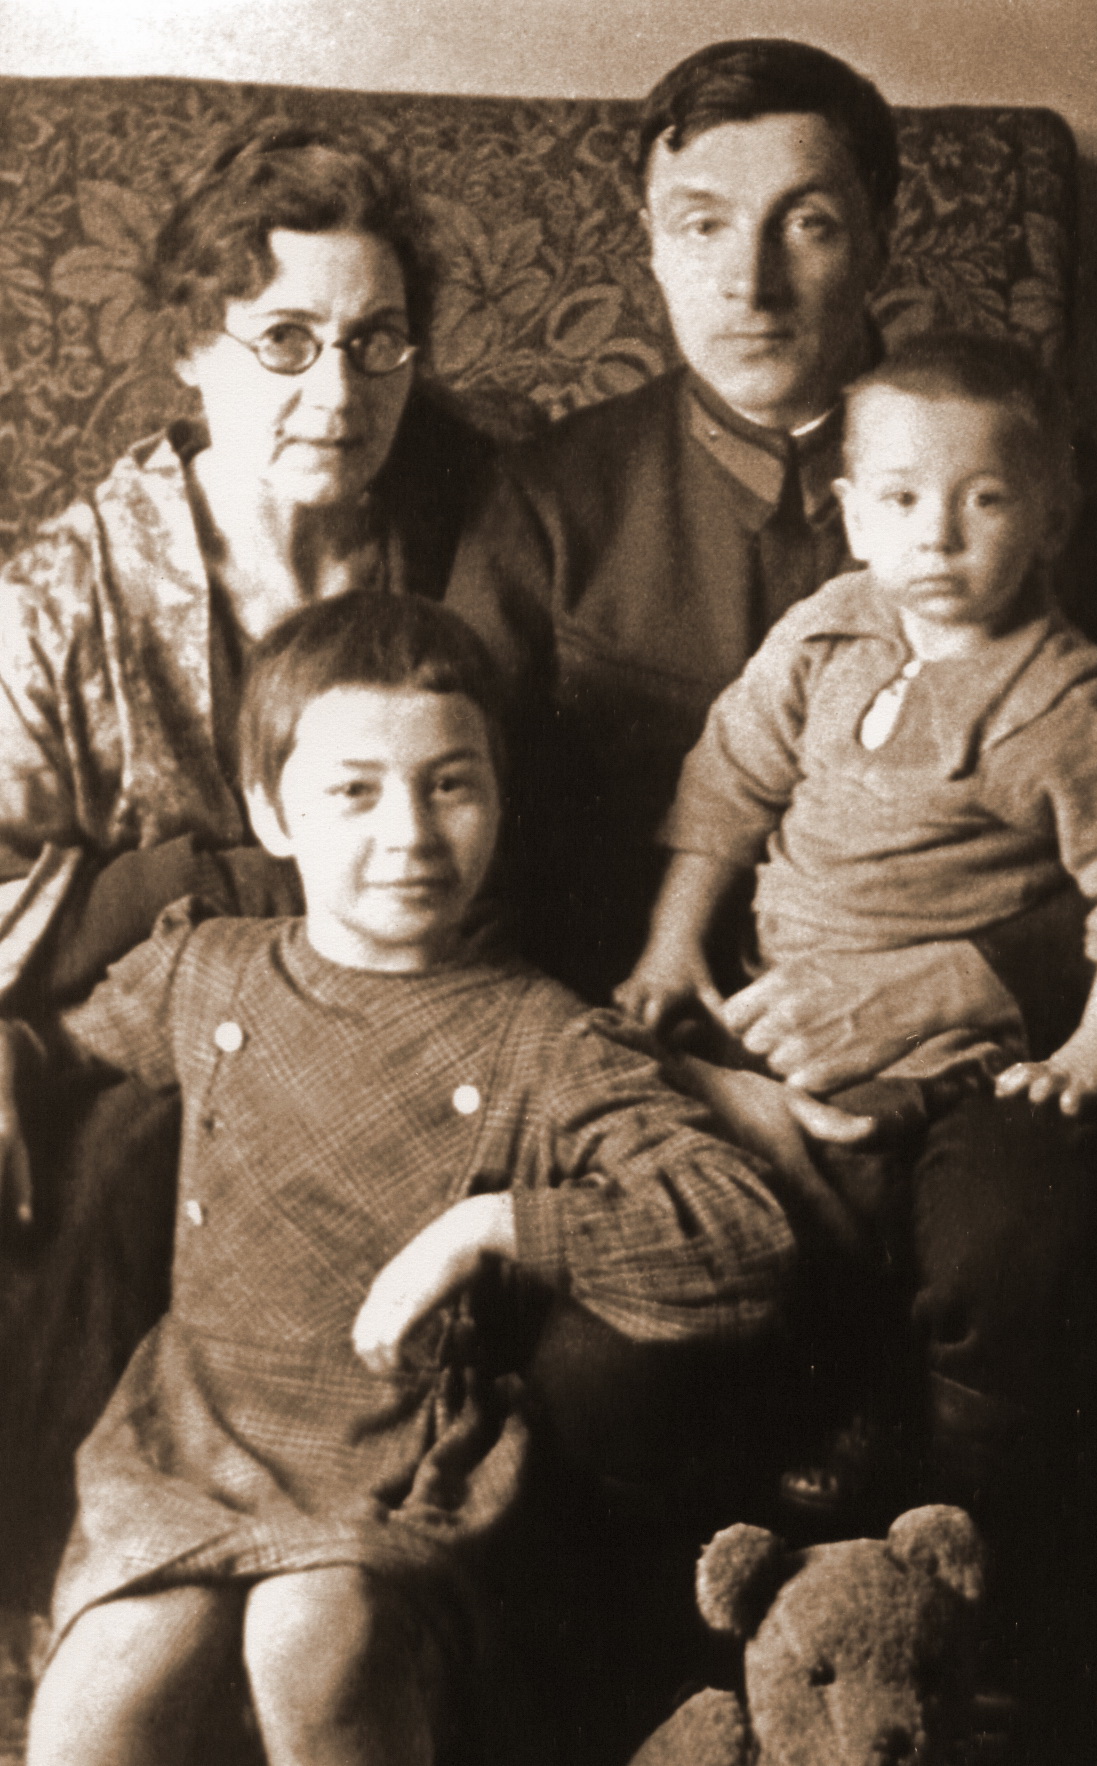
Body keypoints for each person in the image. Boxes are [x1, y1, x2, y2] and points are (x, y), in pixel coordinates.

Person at [2, 590, 795, 1766]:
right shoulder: (203, 970)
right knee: (100, 1700)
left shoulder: (541, 1037)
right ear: (270, 812)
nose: (410, 834)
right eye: (354, 790)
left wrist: (492, 1224)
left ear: (500, 797)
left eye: (449, 783)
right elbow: (58, 1046)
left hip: (398, 1444)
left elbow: (740, 1234)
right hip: (192, 1424)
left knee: (310, 1640)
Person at [0, 123, 499, 1598]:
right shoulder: (64, 594)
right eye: (283, 340)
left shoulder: (472, 528)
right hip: (140, 1041)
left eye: (377, 342)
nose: (337, 393)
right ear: (190, 346)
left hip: (413, 1018)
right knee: (128, 1151)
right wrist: (187, 891)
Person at [619, 331, 1097, 1505]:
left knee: (888, 1201)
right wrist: (669, 940)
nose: (937, 537)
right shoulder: (830, 628)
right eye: (901, 500)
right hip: (769, 994)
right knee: (666, 1148)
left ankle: (901, 1451)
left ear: (1049, 519)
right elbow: (726, 780)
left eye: (983, 500)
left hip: (943, 1050)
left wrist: (1090, 1048)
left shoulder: (1064, 709)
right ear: (853, 513)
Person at [447, 38, 899, 1009]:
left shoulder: (1033, 481)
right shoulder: (544, 503)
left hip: (934, 1035)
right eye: (703, 225)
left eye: (807, 224)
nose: (751, 282)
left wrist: (982, 977)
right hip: (611, 1023)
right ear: (650, 242)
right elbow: (450, 849)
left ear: (878, 238)